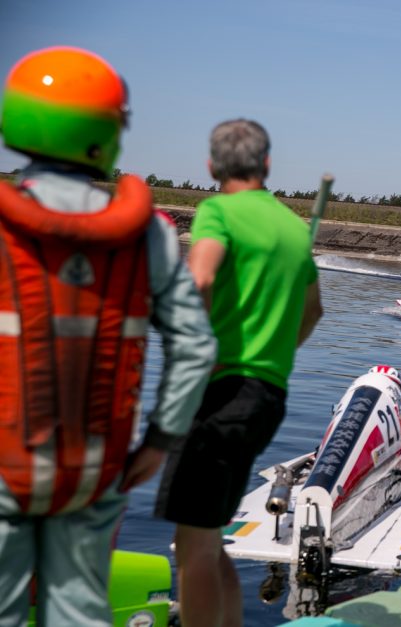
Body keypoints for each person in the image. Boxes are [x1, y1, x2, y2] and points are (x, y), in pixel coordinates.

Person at [0, 47, 216, 626]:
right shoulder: (148, 235)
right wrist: (160, 439)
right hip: (96, 469)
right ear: (107, 131)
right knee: (79, 613)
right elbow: (195, 346)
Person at [155, 118, 323, 626]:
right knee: (208, 541)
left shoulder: (218, 211)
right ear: (266, 164)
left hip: (222, 392)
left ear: (211, 166)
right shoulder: (295, 227)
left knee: (191, 549)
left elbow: (200, 277)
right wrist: (272, 359)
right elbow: (313, 311)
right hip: (267, 396)